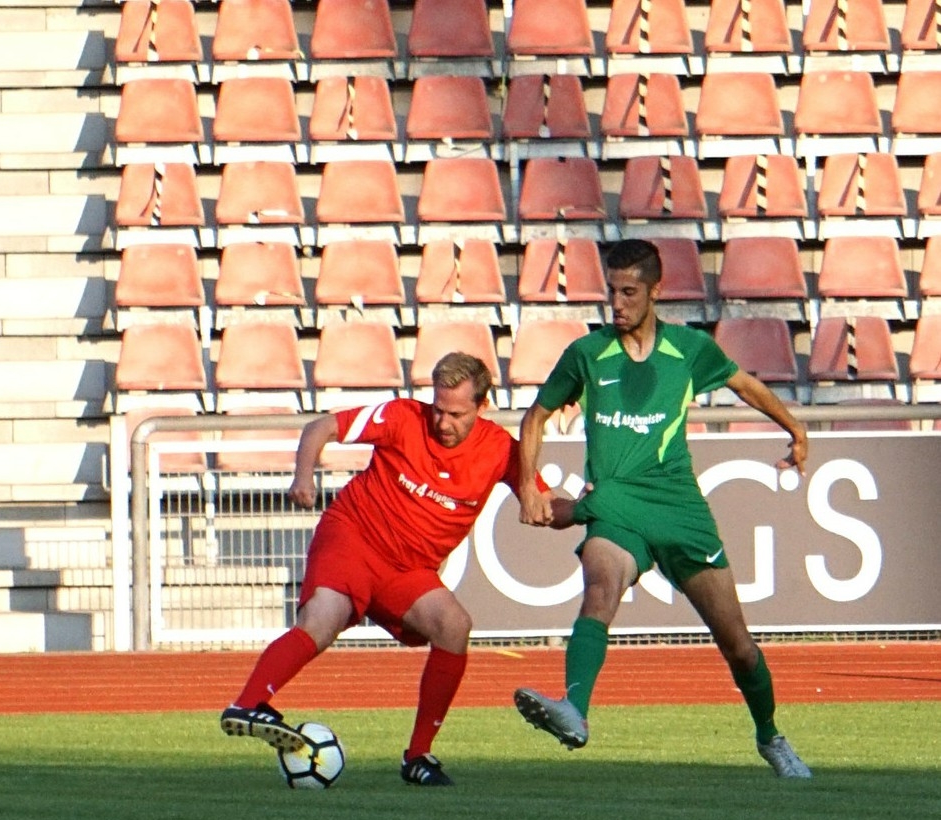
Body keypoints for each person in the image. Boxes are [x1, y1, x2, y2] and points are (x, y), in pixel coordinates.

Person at [511, 238, 812, 778]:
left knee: (739, 647)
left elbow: (745, 385)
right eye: (611, 291)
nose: (617, 303)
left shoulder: (688, 349)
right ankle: (574, 709)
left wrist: (796, 428)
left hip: (678, 508)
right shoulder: (587, 353)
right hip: (614, 504)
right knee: (599, 592)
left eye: (629, 292)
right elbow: (535, 416)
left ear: (656, 291)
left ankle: (771, 736)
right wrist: (529, 489)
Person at [220, 351, 555, 786]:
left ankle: (418, 757)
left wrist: (592, 509)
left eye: (455, 414)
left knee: (453, 625)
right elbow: (320, 427)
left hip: (406, 569)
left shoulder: (499, 450)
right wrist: (304, 475)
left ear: (482, 406)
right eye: (438, 409)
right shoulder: (402, 417)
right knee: (322, 619)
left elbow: (546, 504)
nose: (442, 422)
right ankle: (247, 704)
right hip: (354, 536)